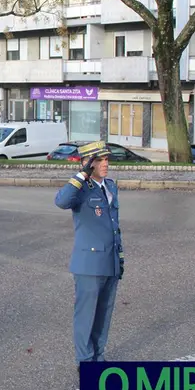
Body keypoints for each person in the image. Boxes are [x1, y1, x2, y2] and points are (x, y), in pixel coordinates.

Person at [54, 141, 124, 370]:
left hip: (110, 261)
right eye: (99, 160)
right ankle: (85, 361)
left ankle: (98, 357)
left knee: (104, 314)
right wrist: (82, 173)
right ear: (88, 163)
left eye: (106, 160)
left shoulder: (110, 186)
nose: (105, 164)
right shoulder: (81, 189)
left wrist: (119, 259)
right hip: (89, 263)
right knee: (86, 316)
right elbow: (61, 201)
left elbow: (114, 225)